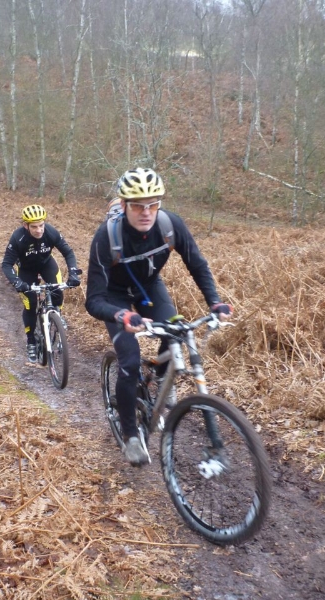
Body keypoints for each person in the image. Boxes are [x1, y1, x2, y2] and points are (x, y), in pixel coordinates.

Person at [85, 168, 233, 466]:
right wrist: (121, 314)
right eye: (138, 205)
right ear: (123, 205)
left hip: (149, 288)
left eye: (153, 204)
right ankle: (130, 436)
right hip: (114, 298)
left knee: (176, 330)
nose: (146, 212)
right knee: (129, 363)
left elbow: (197, 264)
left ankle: (162, 378)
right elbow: (94, 300)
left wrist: (214, 302)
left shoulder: (169, 224)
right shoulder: (106, 237)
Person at [2, 204, 80, 363]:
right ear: (26, 225)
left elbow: (68, 252)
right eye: (34, 227)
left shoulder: (50, 232)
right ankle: (31, 341)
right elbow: (6, 264)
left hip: (46, 264)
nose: (39, 230)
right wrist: (17, 283)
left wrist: (73, 273)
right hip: (26, 270)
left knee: (57, 290)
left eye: (41, 225)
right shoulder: (18, 238)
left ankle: (57, 314)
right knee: (30, 304)